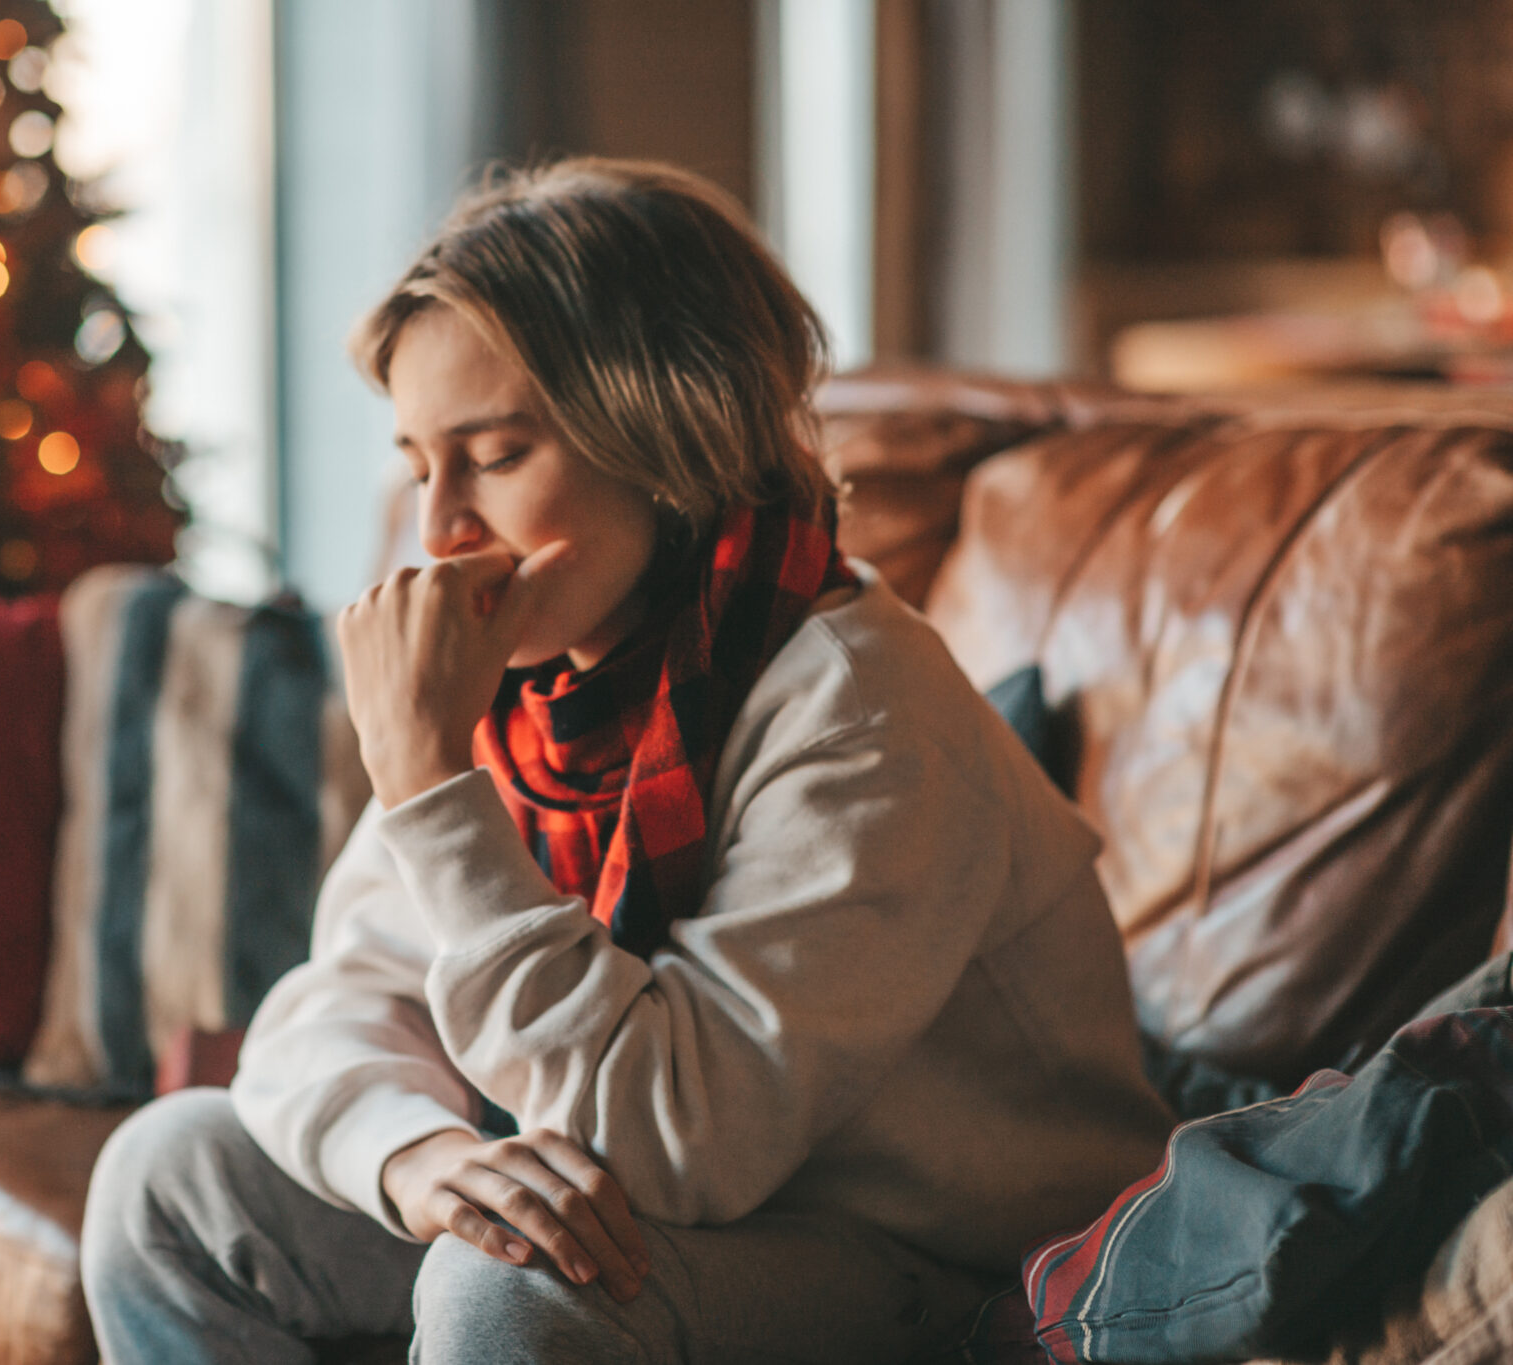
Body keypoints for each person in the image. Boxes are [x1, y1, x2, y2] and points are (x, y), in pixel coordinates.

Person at [80, 158, 1174, 1364]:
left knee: (507, 1294)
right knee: (167, 1178)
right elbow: (332, 1011)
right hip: (697, 1225)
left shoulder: (857, 712)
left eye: (492, 456)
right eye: (415, 464)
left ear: (660, 438)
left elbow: (667, 1144)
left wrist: (430, 791)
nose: (438, 528)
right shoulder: (531, 688)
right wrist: (422, 1160)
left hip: (945, 1264)